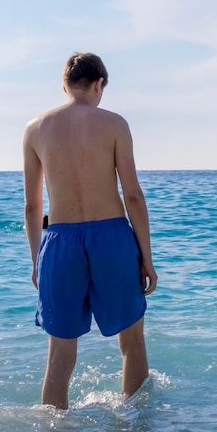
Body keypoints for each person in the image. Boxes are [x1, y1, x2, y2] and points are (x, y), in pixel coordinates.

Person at [23, 52, 157, 409]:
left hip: (60, 241)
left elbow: (32, 207)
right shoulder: (114, 124)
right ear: (99, 84)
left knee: (59, 357)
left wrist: (38, 261)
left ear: (65, 86)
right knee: (132, 344)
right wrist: (147, 257)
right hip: (111, 237)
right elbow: (132, 195)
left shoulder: (35, 129)